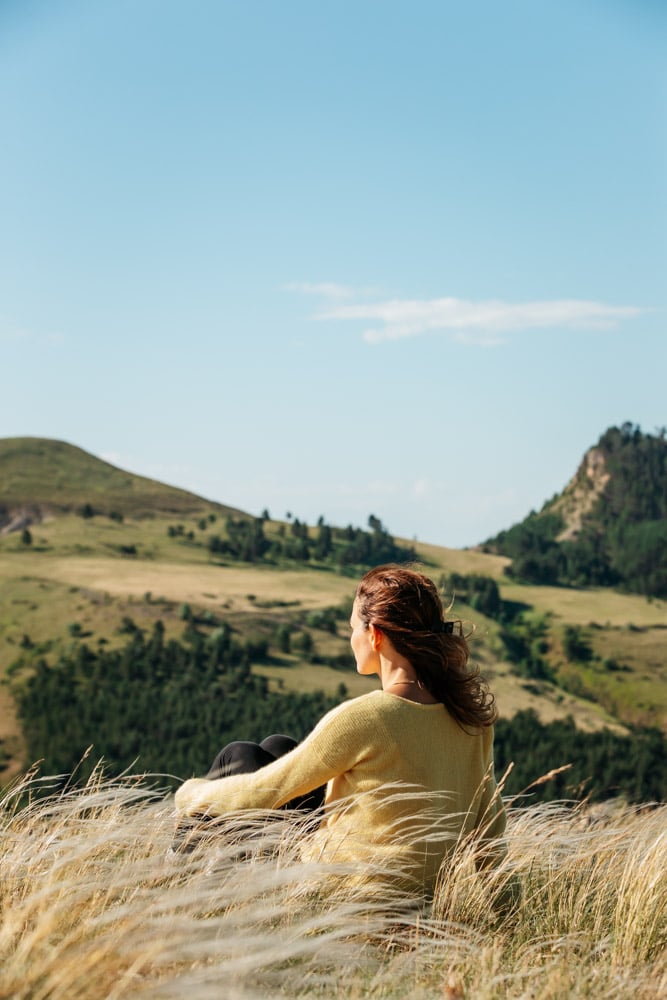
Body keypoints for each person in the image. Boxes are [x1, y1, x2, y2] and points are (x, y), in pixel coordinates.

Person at [174, 564, 507, 896]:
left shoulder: (367, 717)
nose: (351, 639)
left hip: (335, 890)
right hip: (418, 898)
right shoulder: (471, 722)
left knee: (239, 755)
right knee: (278, 746)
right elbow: (490, 829)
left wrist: (189, 794)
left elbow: (265, 791)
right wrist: (505, 912)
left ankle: (170, 876)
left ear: (375, 635)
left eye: (353, 629)